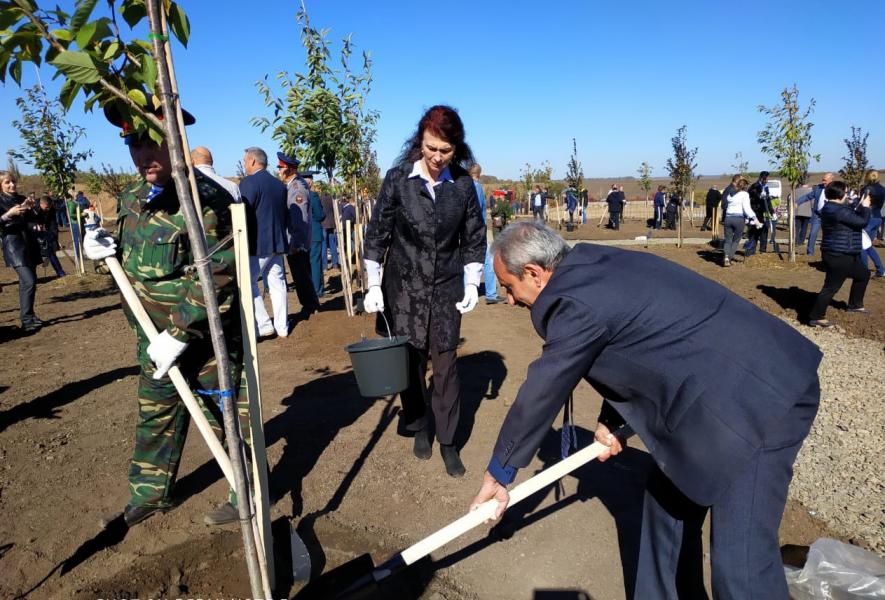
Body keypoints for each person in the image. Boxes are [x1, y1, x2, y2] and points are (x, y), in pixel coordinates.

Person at [469, 221, 821, 599]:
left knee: (741, 567)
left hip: (760, 400)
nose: (509, 299)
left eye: (508, 286)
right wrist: (611, 420)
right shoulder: (593, 266)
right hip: (716, 390)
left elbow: (543, 389)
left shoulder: (574, 301)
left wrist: (500, 473)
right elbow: (635, 342)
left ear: (534, 273)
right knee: (665, 504)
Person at [83, 97, 250, 527]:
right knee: (155, 415)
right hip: (152, 338)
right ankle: (151, 493)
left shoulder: (205, 199)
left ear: (175, 138)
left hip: (203, 340)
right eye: (133, 145)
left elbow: (219, 274)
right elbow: (132, 259)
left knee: (227, 418)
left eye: (150, 142)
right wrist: (103, 250)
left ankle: (246, 493)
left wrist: (178, 333)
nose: (143, 155)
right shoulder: (132, 196)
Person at [362, 105, 486, 478]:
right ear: (420, 142)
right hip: (403, 287)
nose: (436, 157)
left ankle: (448, 441)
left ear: (456, 149)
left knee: (446, 366)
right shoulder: (398, 179)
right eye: (431, 148)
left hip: (446, 288)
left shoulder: (462, 185)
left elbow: (473, 237)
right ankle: (418, 423)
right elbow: (378, 233)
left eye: (445, 150)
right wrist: (372, 283)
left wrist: (472, 281)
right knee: (411, 363)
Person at [239, 146, 290, 338]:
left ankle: (264, 324)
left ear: (252, 160)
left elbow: (243, 213)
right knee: (278, 284)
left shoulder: (249, 183)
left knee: (247, 283)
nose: (244, 164)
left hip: (258, 244)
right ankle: (282, 327)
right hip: (277, 242)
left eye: (245, 160)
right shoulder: (279, 185)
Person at [808, 181, 872, 327]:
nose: (848, 194)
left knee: (863, 274)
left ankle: (855, 305)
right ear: (840, 194)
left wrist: (859, 205)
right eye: (846, 192)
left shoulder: (832, 208)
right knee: (831, 287)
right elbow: (862, 222)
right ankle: (816, 316)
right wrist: (866, 207)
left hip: (844, 252)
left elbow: (851, 217)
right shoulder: (837, 210)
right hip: (839, 254)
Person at [277, 153, 320, 316]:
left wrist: (295, 243)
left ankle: (309, 307)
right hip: (297, 240)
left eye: (280, 168)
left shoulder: (296, 188)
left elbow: (299, 219)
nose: (279, 171)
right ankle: (311, 305)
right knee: (302, 276)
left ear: (289, 169)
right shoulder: (295, 185)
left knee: (301, 277)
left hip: (297, 242)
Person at [0, 171, 43, 331]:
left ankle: (29, 317)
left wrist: (33, 210)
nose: (12, 184)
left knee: (28, 283)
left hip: (29, 243)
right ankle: (26, 319)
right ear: (0, 185)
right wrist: (9, 214)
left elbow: (31, 220)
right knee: (29, 281)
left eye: (13, 181)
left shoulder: (21, 198)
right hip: (14, 245)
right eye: (7, 182)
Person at [470, 163, 499, 304]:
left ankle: (467, 292)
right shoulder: (477, 187)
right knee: (488, 260)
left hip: (466, 230)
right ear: (479, 174)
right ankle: (491, 294)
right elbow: (478, 209)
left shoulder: (463, 187)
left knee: (467, 261)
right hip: (477, 229)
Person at [721, 177, 760, 267]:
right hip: (739, 219)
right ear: (745, 186)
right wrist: (754, 218)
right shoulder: (744, 194)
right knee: (736, 240)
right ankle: (729, 258)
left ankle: (726, 256)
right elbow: (747, 208)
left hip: (728, 218)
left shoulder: (730, 194)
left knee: (728, 239)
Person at [300, 171, 327, 297]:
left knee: (306, 264)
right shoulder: (313, 195)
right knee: (315, 262)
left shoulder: (298, 195)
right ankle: (317, 290)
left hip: (302, 234)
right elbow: (320, 215)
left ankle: (310, 289)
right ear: (310, 182)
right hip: (314, 233)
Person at [798, 172, 834, 256]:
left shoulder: (835, 188)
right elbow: (808, 196)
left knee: (828, 235)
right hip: (817, 216)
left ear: (831, 180)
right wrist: (797, 202)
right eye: (822, 180)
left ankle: (827, 253)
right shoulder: (818, 188)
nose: (823, 182)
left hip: (829, 217)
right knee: (812, 234)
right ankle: (810, 252)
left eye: (825, 180)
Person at [860, 169, 885, 278]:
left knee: (861, 245)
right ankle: (880, 269)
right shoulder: (882, 189)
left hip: (868, 218)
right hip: (878, 217)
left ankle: (863, 271)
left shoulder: (867, 189)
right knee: (868, 245)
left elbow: (862, 203)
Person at [35, 195, 66, 278]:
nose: (48, 209)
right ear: (41, 204)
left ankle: (60, 272)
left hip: (44, 230)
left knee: (50, 252)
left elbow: (53, 224)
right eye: (46, 207)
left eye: (49, 207)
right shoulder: (34, 207)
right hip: (32, 232)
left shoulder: (51, 209)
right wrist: (35, 226)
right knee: (33, 254)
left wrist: (54, 238)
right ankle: (32, 276)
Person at [745, 171, 773, 256]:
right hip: (755, 212)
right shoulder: (755, 186)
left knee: (764, 231)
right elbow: (750, 198)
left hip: (763, 213)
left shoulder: (766, 187)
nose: (767, 180)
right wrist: (759, 196)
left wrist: (772, 211)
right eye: (766, 178)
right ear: (762, 178)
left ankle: (763, 250)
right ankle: (750, 251)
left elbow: (768, 201)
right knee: (753, 232)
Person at [319, 190, 340, 271]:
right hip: (331, 224)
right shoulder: (332, 199)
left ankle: (324, 266)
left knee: (323, 245)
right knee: (333, 244)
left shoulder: (320, 199)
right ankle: (335, 264)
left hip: (323, 224)